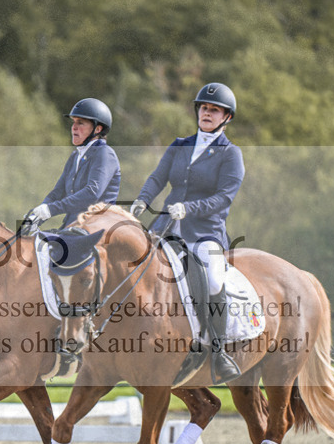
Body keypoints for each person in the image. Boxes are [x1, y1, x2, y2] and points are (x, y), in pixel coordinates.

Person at [130, 82, 244, 385]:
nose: (207, 113)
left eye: (214, 110)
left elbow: (224, 198)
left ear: (226, 117)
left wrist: (189, 208)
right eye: (204, 108)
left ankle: (218, 350)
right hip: (166, 227)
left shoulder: (231, 154)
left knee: (213, 278)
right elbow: (158, 177)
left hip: (205, 232)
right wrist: (143, 198)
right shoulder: (180, 144)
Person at [22, 98, 120, 234]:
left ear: (97, 129)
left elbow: (92, 193)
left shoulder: (104, 154)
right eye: (74, 122)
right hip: (73, 227)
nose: (74, 127)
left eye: (81, 123)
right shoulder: (75, 157)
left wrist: (52, 210)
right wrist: (37, 216)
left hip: (96, 229)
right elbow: (58, 192)